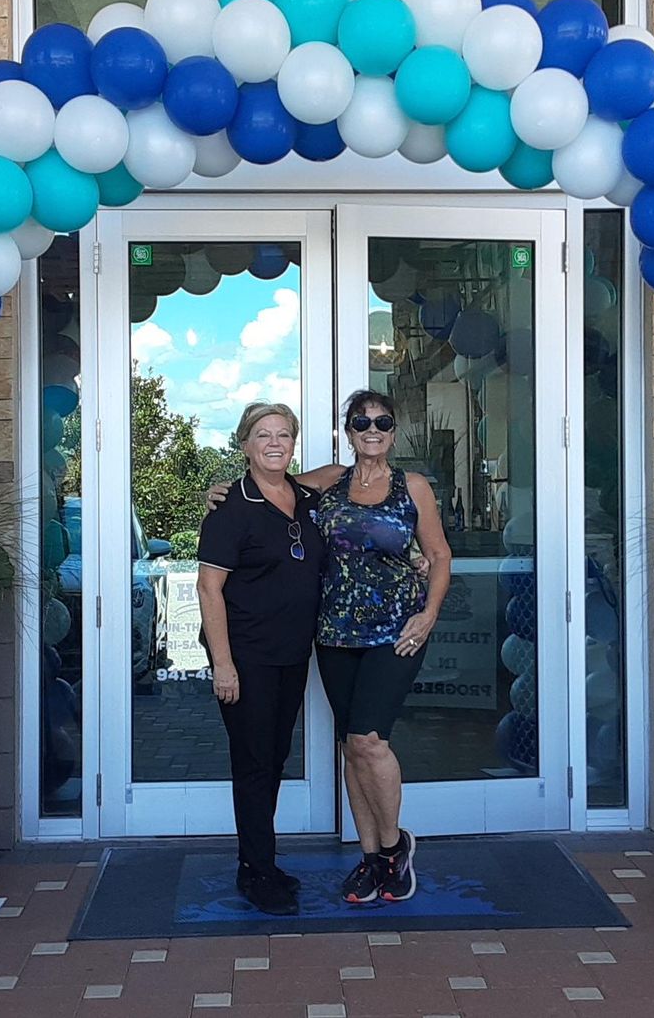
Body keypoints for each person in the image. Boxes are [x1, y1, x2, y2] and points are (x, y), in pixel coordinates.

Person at [206, 390, 452, 904]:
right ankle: (367, 859)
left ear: (394, 428)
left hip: (395, 632)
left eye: (382, 421)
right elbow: (272, 482)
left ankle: (392, 849)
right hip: (335, 634)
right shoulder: (327, 481)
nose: (372, 429)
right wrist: (223, 487)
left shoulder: (412, 486)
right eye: (361, 421)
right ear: (348, 428)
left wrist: (428, 614)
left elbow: (439, 554)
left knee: (368, 739)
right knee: (349, 743)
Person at [196, 402, 329, 916]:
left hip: (292, 654)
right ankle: (255, 872)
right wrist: (223, 665)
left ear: (293, 444)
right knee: (253, 764)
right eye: (262, 435)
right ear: (244, 443)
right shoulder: (231, 508)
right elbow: (209, 588)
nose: (274, 443)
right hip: (247, 658)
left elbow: (344, 470)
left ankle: (263, 862)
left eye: (284, 435)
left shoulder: (304, 496)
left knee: (273, 759)